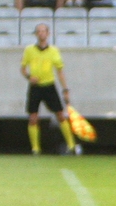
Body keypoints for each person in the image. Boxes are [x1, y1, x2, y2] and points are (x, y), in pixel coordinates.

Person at [20, 22, 79, 155]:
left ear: (48, 34)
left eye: (43, 31)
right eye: (39, 31)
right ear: (36, 34)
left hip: (49, 86)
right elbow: (23, 69)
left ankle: (71, 145)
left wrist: (65, 89)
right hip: (35, 87)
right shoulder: (29, 50)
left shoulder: (53, 51)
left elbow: (60, 71)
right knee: (33, 117)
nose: (41, 33)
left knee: (60, 115)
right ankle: (35, 148)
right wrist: (29, 77)